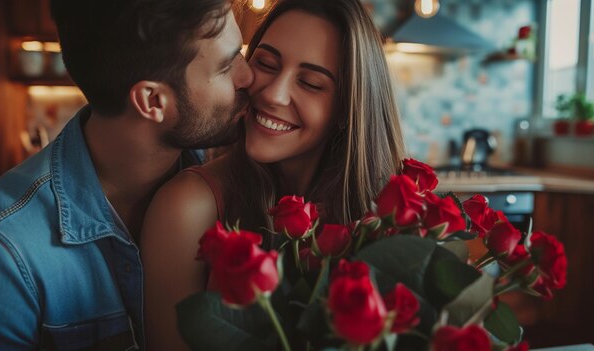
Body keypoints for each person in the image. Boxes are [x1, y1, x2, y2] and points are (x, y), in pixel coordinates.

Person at [0, 0, 253, 349]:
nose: (249, 76)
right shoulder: (4, 253)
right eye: (227, 67)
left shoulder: (237, 178)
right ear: (152, 102)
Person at [141, 0, 406, 349]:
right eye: (265, 63)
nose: (273, 94)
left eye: (311, 83)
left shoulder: (386, 215)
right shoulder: (187, 206)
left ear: (347, 108)